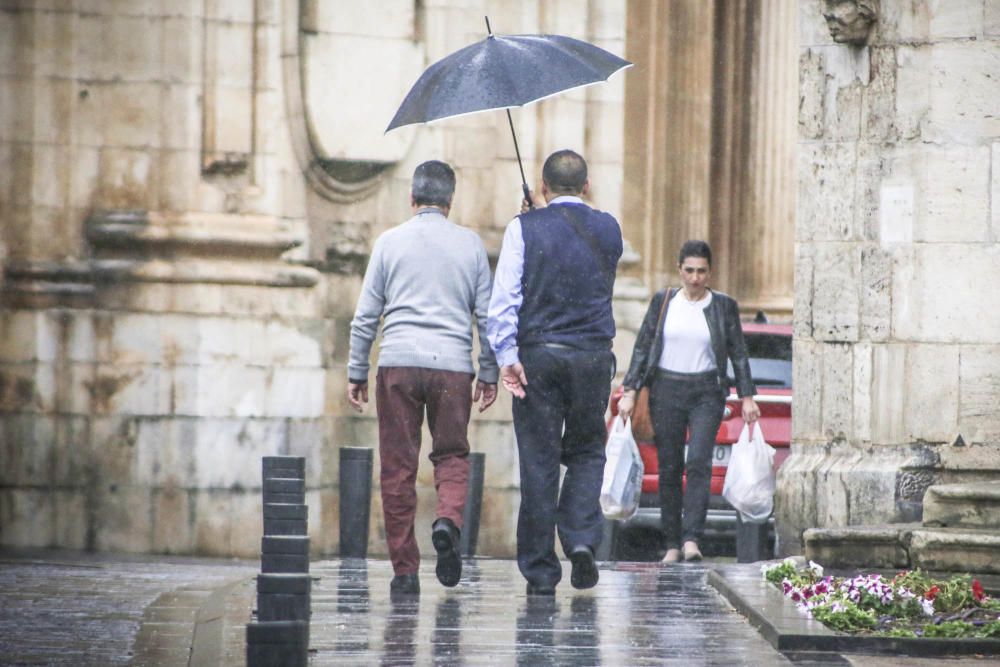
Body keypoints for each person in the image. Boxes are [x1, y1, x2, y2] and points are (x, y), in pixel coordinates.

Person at [347, 160, 498, 597]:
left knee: (398, 467)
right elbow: (487, 319)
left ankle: (405, 571)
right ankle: (447, 520)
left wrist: (357, 369)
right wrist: (487, 372)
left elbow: (364, 318)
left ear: (411, 199)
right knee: (452, 455)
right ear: (450, 202)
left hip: (398, 364)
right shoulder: (470, 246)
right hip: (452, 366)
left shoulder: (388, 243)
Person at [487, 149, 623, 595]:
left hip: (540, 357)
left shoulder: (522, 228)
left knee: (539, 460)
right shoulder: (609, 229)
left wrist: (506, 356)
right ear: (587, 186)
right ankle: (582, 539)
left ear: (543, 187)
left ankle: (541, 570)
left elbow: (504, 300)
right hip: (591, 357)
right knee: (587, 452)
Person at [617, 240, 760, 563]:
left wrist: (747, 397)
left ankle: (692, 538)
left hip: (706, 391)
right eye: (690, 271)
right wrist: (629, 391)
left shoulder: (723, 306)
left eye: (702, 272)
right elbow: (643, 347)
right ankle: (671, 542)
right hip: (667, 389)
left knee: (698, 462)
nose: (695, 278)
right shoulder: (664, 301)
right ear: (679, 269)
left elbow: (738, 351)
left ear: (710, 273)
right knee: (669, 467)